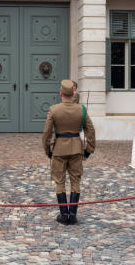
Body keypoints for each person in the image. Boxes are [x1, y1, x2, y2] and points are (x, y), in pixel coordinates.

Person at [42, 79, 95, 225]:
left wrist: (47, 150)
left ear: (60, 93)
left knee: (59, 181)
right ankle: (73, 214)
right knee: (75, 181)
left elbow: (46, 133)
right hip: (77, 149)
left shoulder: (54, 109)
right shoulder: (81, 109)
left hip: (59, 150)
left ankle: (63, 214)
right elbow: (91, 131)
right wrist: (89, 150)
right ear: (73, 93)